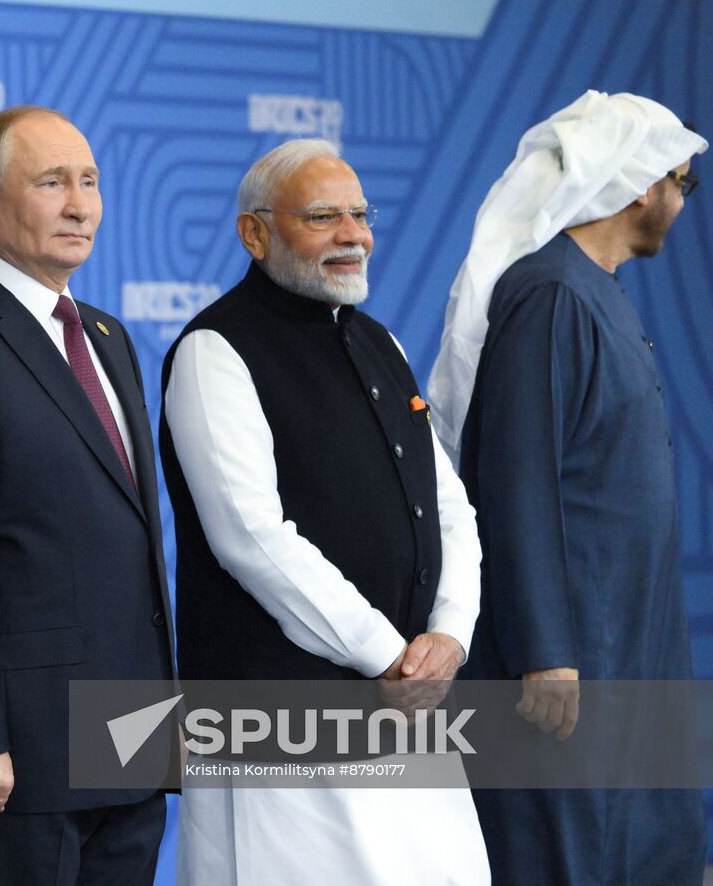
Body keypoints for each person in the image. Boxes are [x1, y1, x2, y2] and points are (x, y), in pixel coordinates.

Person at [160, 138, 488, 885]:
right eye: (322, 216)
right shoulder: (215, 350)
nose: (352, 234)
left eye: (360, 214)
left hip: (411, 706)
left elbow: (450, 507)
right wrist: (389, 655)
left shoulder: (381, 342)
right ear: (255, 233)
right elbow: (253, 539)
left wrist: (449, 635)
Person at [0, 105, 176, 886]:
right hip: (19, 759)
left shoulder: (109, 339)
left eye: (89, 181)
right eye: (52, 182)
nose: (81, 205)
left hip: (132, 740)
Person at [428, 91, 708, 885]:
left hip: (623, 644)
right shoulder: (551, 294)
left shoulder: (594, 291)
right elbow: (515, 483)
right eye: (682, 183)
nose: (682, 204)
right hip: (572, 657)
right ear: (641, 186)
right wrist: (548, 650)